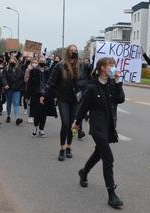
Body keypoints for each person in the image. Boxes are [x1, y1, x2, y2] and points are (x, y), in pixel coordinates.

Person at [72, 57, 125, 209]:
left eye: (114, 65)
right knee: (108, 158)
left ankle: (84, 172)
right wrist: (77, 122)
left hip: (108, 125)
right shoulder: (92, 87)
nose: (113, 68)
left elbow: (120, 99)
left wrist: (117, 81)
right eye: (111, 65)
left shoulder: (110, 84)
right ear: (102, 68)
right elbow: (83, 106)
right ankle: (111, 195)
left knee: (99, 153)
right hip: (97, 126)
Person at [41, 44, 91, 161]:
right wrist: (44, 94)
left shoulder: (83, 66)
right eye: (71, 50)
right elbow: (51, 82)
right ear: (67, 52)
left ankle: (69, 147)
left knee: (73, 125)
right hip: (63, 98)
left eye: (75, 50)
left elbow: (90, 75)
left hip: (76, 99)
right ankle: (62, 149)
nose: (73, 52)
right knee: (65, 123)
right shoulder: (60, 66)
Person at [26, 57, 57, 137]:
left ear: (46, 62)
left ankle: (41, 130)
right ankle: (35, 127)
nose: (42, 62)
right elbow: (29, 84)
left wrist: (54, 96)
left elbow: (52, 84)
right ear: (38, 62)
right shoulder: (33, 71)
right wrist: (27, 96)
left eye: (44, 61)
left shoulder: (49, 71)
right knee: (37, 112)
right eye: (41, 61)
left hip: (46, 95)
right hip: (36, 95)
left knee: (43, 113)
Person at [2, 57, 24, 126]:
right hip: (9, 88)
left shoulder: (19, 69)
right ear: (9, 62)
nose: (13, 62)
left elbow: (22, 79)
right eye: (11, 60)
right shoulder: (6, 69)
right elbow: (3, 77)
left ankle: (17, 118)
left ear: (16, 61)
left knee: (16, 103)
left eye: (14, 60)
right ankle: (8, 116)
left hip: (17, 89)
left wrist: (20, 85)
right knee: (9, 103)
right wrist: (5, 84)